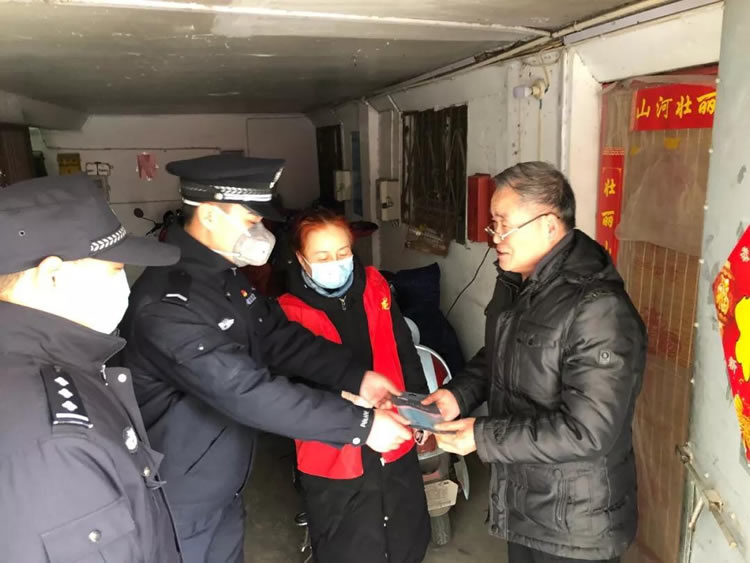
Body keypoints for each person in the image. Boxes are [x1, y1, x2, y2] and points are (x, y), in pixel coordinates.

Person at [119, 154, 413, 563]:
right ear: (209, 215)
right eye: (250, 220)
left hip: (222, 481)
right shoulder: (169, 304)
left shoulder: (224, 276)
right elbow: (246, 391)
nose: (259, 233)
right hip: (179, 495)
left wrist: (356, 375)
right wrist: (361, 425)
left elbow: (276, 337)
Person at [426, 161, 646, 563]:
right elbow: (498, 354)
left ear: (548, 225)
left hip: (575, 523)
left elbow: (588, 431)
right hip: (526, 504)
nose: (495, 238)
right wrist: (458, 395)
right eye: (493, 224)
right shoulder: (518, 281)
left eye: (503, 225)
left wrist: (482, 437)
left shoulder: (597, 308)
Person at [0, 174, 182, 562]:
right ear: (52, 276)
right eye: (115, 269)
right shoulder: (56, 445)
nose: (125, 284)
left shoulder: (43, 364)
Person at [278, 209, 431, 563]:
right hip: (332, 450)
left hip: (395, 431)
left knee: (405, 533)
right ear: (301, 258)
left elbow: (404, 350)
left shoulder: (376, 286)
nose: (335, 263)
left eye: (343, 252)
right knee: (349, 543)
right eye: (322, 257)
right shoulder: (286, 313)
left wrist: (421, 411)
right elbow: (287, 391)